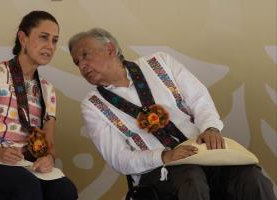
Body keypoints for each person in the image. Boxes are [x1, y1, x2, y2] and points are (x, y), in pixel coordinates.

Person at [68, 28, 276, 200]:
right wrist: (164, 156)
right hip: (159, 171)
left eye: (85, 55)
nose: (82, 65)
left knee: (249, 177)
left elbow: (199, 99)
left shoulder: (159, 63)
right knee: (191, 179)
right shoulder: (93, 105)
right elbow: (119, 159)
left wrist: (210, 128)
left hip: (204, 153)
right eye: (77, 62)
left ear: (110, 49)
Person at [0, 11, 78, 200]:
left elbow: (49, 143)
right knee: (27, 184)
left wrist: (48, 158)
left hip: (24, 163)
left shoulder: (47, 89)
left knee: (65, 189)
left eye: (55, 40)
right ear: (22, 38)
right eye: (43, 37)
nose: (50, 46)